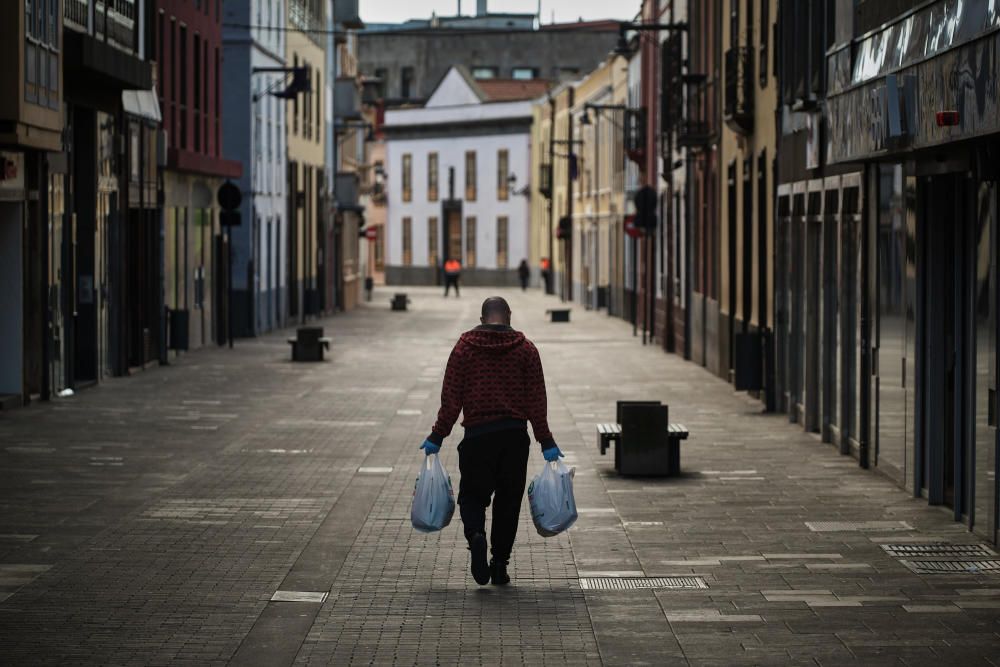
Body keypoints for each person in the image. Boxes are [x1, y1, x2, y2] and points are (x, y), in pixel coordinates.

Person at [419, 297, 563, 586]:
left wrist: (437, 435)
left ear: (482, 318)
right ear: (509, 316)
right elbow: (537, 401)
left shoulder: (464, 348)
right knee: (508, 502)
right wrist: (546, 441)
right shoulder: (526, 350)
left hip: (477, 437)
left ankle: (476, 536)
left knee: (472, 496)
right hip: (514, 438)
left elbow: (451, 398)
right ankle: (499, 565)